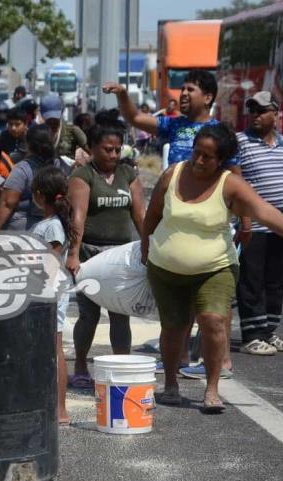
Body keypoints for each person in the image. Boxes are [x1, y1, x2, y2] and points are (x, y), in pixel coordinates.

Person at [142, 123, 283, 412]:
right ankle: (171, 384)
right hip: (166, 269)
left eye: (208, 157)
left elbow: (265, 212)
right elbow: (152, 214)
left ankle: (212, 389)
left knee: (213, 320)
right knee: (174, 327)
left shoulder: (230, 183)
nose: (199, 161)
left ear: (221, 161)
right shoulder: (171, 174)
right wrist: (144, 245)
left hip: (215, 267)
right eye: (196, 153)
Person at [104, 70, 250, 377]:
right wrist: (122, 95)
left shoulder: (219, 132)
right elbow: (135, 119)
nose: (182, 94)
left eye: (190, 89)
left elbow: (237, 179)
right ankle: (180, 357)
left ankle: (221, 362)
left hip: (211, 219)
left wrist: (245, 222)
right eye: (181, 88)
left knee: (213, 301)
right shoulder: (174, 125)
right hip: (177, 216)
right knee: (178, 296)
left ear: (208, 97)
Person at [65, 122, 146, 388]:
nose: (112, 155)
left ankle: (122, 365)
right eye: (106, 150)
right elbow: (78, 217)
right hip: (90, 253)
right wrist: (74, 254)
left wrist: (149, 248)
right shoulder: (83, 175)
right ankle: (80, 364)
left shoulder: (128, 174)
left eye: (116, 149)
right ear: (91, 148)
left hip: (122, 256)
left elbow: (140, 217)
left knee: (120, 314)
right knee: (89, 315)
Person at [235, 91, 283, 355]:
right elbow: (237, 182)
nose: (255, 114)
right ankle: (251, 335)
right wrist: (244, 222)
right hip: (254, 227)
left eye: (262, 110)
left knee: (276, 280)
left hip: (280, 227)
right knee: (251, 281)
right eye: (251, 109)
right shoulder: (240, 142)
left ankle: (268, 331)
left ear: (275, 114)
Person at [30, 166, 74, 425]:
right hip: (42, 292)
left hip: (49, 293)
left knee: (54, 347)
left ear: (38, 195)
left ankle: (60, 409)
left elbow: (50, 261)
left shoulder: (53, 227)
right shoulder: (48, 224)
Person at [0, 124, 57, 231]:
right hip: (54, 227)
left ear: (28, 144)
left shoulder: (22, 169)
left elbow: (8, 203)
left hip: (25, 229)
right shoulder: (59, 166)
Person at [40, 93, 88, 160]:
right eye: (49, 119)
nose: (52, 122)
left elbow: (92, 154)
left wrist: (82, 163)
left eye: (55, 118)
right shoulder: (38, 134)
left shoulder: (73, 131)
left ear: (61, 112)